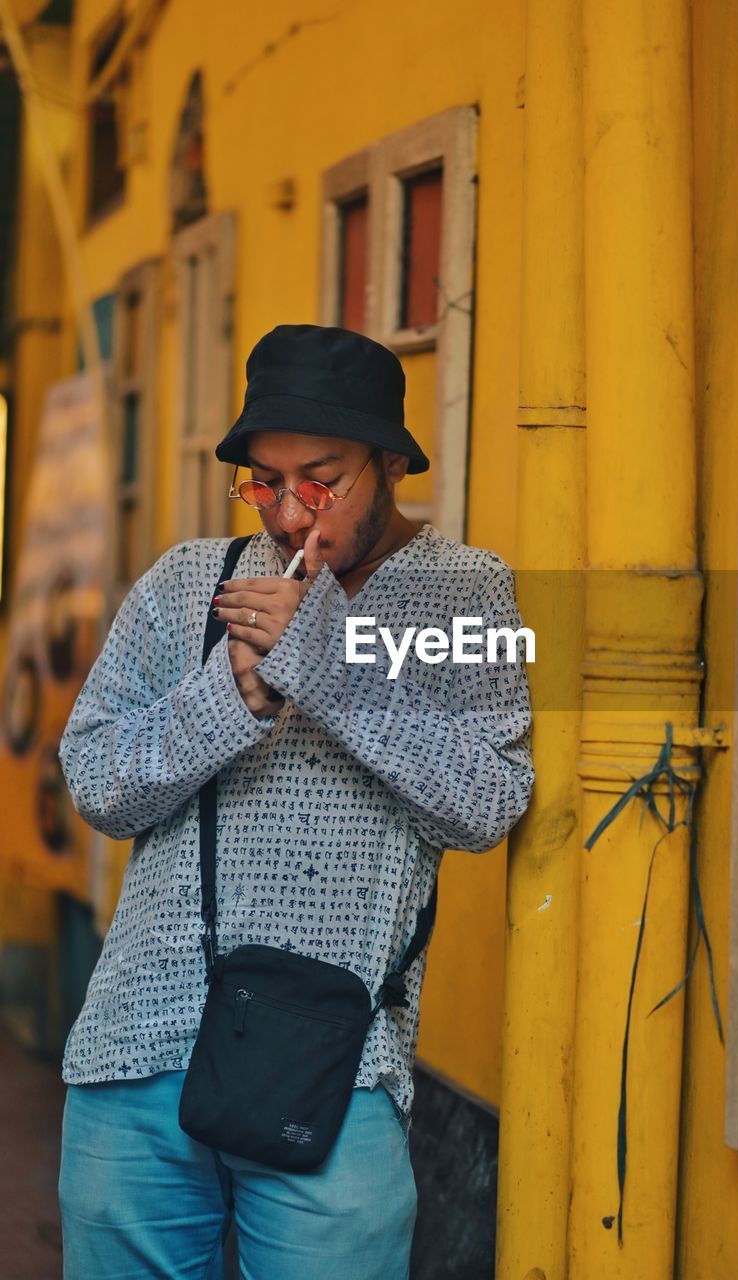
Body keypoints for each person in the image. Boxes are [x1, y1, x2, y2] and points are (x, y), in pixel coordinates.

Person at [58, 323, 534, 1280]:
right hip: (138, 1045)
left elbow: (490, 798)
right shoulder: (191, 582)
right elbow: (97, 781)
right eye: (265, 482)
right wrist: (231, 695)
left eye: (320, 479)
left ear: (391, 461)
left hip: (336, 1061)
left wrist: (330, 667)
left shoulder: (466, 597)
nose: (288, 512)